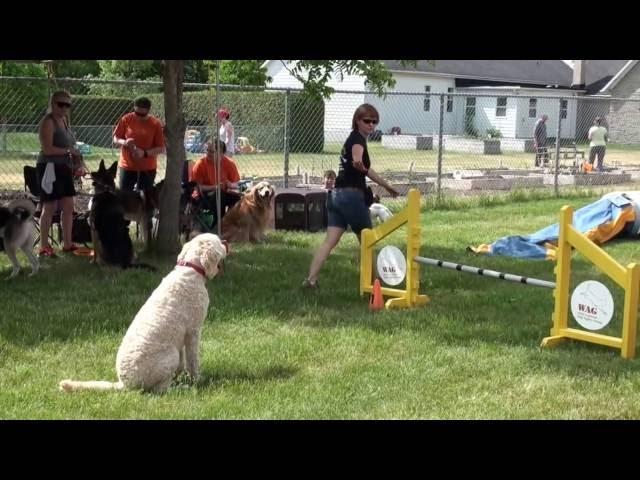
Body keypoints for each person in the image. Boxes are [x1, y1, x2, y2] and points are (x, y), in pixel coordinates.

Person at [302, 103, 399, 289]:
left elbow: (367, 169)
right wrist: (358, 164)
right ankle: (375, 286)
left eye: (374, 122)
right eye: (367, 121)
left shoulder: (352, 139)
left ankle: (311, 280)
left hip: (335, 197)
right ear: (357, 121)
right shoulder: (357, 140)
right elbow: (358, 159)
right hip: (352, 198)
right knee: (367, 242)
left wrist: (386, 185)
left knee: (329, 242)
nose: (371, 125)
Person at [36, 90, 87, 257]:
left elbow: (70, 146)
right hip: (49, 168)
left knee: (68, 206)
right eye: (60, 104)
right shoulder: (48, 122)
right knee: (49, 207)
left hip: (64, 168)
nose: (64, 108)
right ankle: (44, 246)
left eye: (68, 105)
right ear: (52, 104)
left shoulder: (64, 120)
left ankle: (67, 243)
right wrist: (68, 151)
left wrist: (77, 161)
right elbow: (47, 149)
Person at [113, 96, 166, 192]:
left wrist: (144, 153)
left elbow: (161, 148)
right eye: (137, 113)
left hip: (147, 167)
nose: (139, 117)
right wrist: (125, 142)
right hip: (127, 165)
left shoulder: (155, 123)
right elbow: (116, 138)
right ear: (134, 108)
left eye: (143, 115)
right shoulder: (126, 119)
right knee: (125, 196)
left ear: (148, 111)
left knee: (145, 198)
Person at [189, 140, 241, 224]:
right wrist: (215, 187)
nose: (208, 153)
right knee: (219, 194)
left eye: (212, 151)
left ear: (221, 153)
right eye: (207, 150)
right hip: (205, 196)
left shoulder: (229, 163)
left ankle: (233, 223)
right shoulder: (201, 164)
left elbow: (236, 183)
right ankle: (218, 224)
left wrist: (231, 185)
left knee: (237, 198)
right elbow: (196, 187)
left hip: (224, 193)